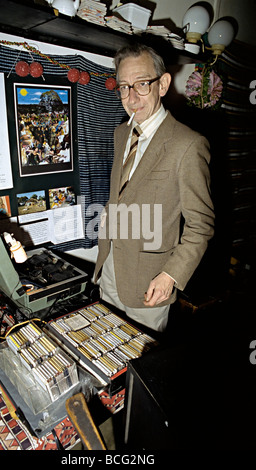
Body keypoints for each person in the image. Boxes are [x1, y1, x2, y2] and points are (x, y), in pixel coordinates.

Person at [93, 44, 215, 332]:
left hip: (150, 283)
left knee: (137, 369)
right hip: (109, 269)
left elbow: (202, 224)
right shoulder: (121, 133)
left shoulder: (188, 145)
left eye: (142, 84)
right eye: (124, 87)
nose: (132, 98)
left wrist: (170, 275)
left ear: (163, 84)